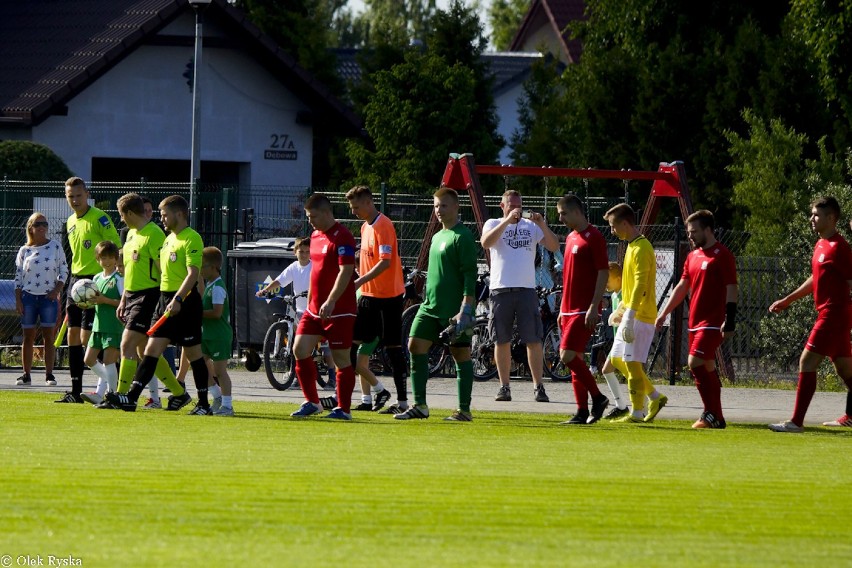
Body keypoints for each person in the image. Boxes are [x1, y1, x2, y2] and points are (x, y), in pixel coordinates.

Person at [105, 195, 207, 413]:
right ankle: (131, 398)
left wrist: (179, 298)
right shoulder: (169, 238)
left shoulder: (192, 238)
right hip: (164, 300)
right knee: (150, 349)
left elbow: (193, 274)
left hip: (184, 302)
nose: (161, 218)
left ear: (178, 214)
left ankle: (205, 403)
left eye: (164, 214)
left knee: (193, 353)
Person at [767, 196, 852, 433]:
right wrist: (788, 300)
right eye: (812, 214)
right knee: (845, 370)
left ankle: (796, 422)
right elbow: (816, 279)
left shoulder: (840, 247)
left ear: (831, 218)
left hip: (833, 315)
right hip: (831, 314)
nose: (811, 219)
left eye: (816, 214)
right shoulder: (821, 245)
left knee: (807, 361)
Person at [395, 186, 478, 421]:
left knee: (460, 354)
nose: (438, 210)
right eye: (435, 206)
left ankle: (464, 410)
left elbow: (470, 275)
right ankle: (420, 405)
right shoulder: (436, 236)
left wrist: (466, 309)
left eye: (443, 205)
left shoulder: (463, 236)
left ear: (456, 207)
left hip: (455, 311)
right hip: (430, 307)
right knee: (414, 344)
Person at [655, 210, 738, 429]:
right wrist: (664, 312)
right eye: (688, 232)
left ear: (708, 230)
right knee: (707, 366)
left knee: (694, 362)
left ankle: (710, 413)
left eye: (694, 232)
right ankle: (717, 417)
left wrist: (730, 319)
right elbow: (682, 287)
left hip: (713, 322)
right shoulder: (692, 256)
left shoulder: (723, 254)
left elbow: (731, 287)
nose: (690, 236)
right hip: (695, 321)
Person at [480, 189, 560, 403]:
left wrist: (542, 223)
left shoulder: (531, 227)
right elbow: (486, 243)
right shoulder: (493, 223)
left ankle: (538, 386)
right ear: (502, 205)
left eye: (519, 205)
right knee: (501, 339)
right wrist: (507, 221)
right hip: (500, 289)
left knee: (533, 339)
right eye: (512, 204)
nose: (516, 209)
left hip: (526, 289)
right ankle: (504, 387)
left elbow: (554, 245)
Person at [288, 193, 358, 420]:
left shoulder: (343, 236)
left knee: (341, 360)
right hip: (314, 309)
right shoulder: (315, 236)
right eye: (308, 216)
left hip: (339, 309)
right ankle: (313, 402)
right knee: (299, 349)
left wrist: (331, 301)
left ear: (327, 213)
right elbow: (314, 272)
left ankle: (344, 410)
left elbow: (346, 271)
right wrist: (310, 303)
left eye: (313, 216)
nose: (310, 221)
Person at [56, 177, 121, 403]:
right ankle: (75, 391)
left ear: (87, 194)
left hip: (95, 284)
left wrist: (113, 275)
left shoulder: (100, 218)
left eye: (78, 195)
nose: (74, 200)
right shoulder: (70, 221)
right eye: (70, 196)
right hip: (76, 283)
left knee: (88, 339)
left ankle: (111, 388)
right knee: (73, 336)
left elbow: (115, 248)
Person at [604, 203, 668, 423]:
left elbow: (641, 284)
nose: (612, 231)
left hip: (641, 316)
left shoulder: (642, 248)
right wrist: (621, 310)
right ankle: (654, 397)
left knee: (632, 364)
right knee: (616, 359)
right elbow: (630, 286)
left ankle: (637, 413)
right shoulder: (632, 245)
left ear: (624, 223)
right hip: (631, 313)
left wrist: (629, 315)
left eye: (613, 226)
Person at [345, 185, 405, 412]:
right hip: (368, 297)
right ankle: (347, 399)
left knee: (393, 349)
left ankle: (402, 403)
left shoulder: (384, 225)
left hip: (389, 297)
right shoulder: (364, 227)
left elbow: (385, 261)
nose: (354, 211)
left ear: (369, 203)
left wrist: (359, 281)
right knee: (351, 346)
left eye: (356, 207)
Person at [554, 194, 610, 424]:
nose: (561, 218)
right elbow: (569, 277)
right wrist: (560, 310)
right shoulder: (570, 238)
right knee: (575, 359)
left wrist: (593, 306)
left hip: (583, 310)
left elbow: (603, 272)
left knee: (566, 356)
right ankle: (581, 411)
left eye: (563, 213)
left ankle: (598, 397)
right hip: (568, 310)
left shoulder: (594, 237)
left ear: (577, 212)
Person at [256, 236, 336, 387]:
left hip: (316, 311)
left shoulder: (314, 266)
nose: (304, 254)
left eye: (307, 251)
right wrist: (265, 290)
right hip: (300, 310)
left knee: (325, 347)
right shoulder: (293, 267)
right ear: (295, 252)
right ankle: (298, 377)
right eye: (301, 251)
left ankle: (332, 376)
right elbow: (280, 280)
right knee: (297, 346)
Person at [14, 212, 68, 386]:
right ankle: (26, 374)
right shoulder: (24, 250)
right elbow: (18, 277)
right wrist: (19, 300)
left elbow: (64, 271)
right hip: (28, 297)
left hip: (48, 298)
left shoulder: (55, 246)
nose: (42, 227)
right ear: (31, 227)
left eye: (44, 223)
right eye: (38, 224)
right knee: (28, 336)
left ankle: (49, 375)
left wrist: (56, 290)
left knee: (49, 337)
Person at [79, 242, 123, 405]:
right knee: (89, 359)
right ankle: (113, 387)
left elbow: (123, 302)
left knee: (109, 361)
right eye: (103, 258)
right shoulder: (96, 278)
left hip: (113, 325)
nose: (107, 261)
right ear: (98, 259)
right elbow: (94, 301)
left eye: (110, 257)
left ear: (115, 258)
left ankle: (111, 395)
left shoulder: (119, 278)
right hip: (98, 325)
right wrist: (84, 301)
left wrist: (105, 300)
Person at [201, 246, 234, 416]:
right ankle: (217, 396)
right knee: (200, 365)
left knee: (220, 371)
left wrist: (197, 312)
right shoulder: (209, 285)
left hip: (219, 335)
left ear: (213, 267)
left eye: (202, 266)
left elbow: (216, 312)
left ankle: (227, 406)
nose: (200, 270)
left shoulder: (218, 287)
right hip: (207, 334)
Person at [599, 262, 630, 418]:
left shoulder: (625, 293)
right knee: (608, 370)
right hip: (619, 340)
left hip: (626, 340)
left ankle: (647, 401)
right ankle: (621, 406)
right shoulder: (613, 295)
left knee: (630, 373)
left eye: (608, 280)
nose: (605, 284)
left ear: (619, 278)